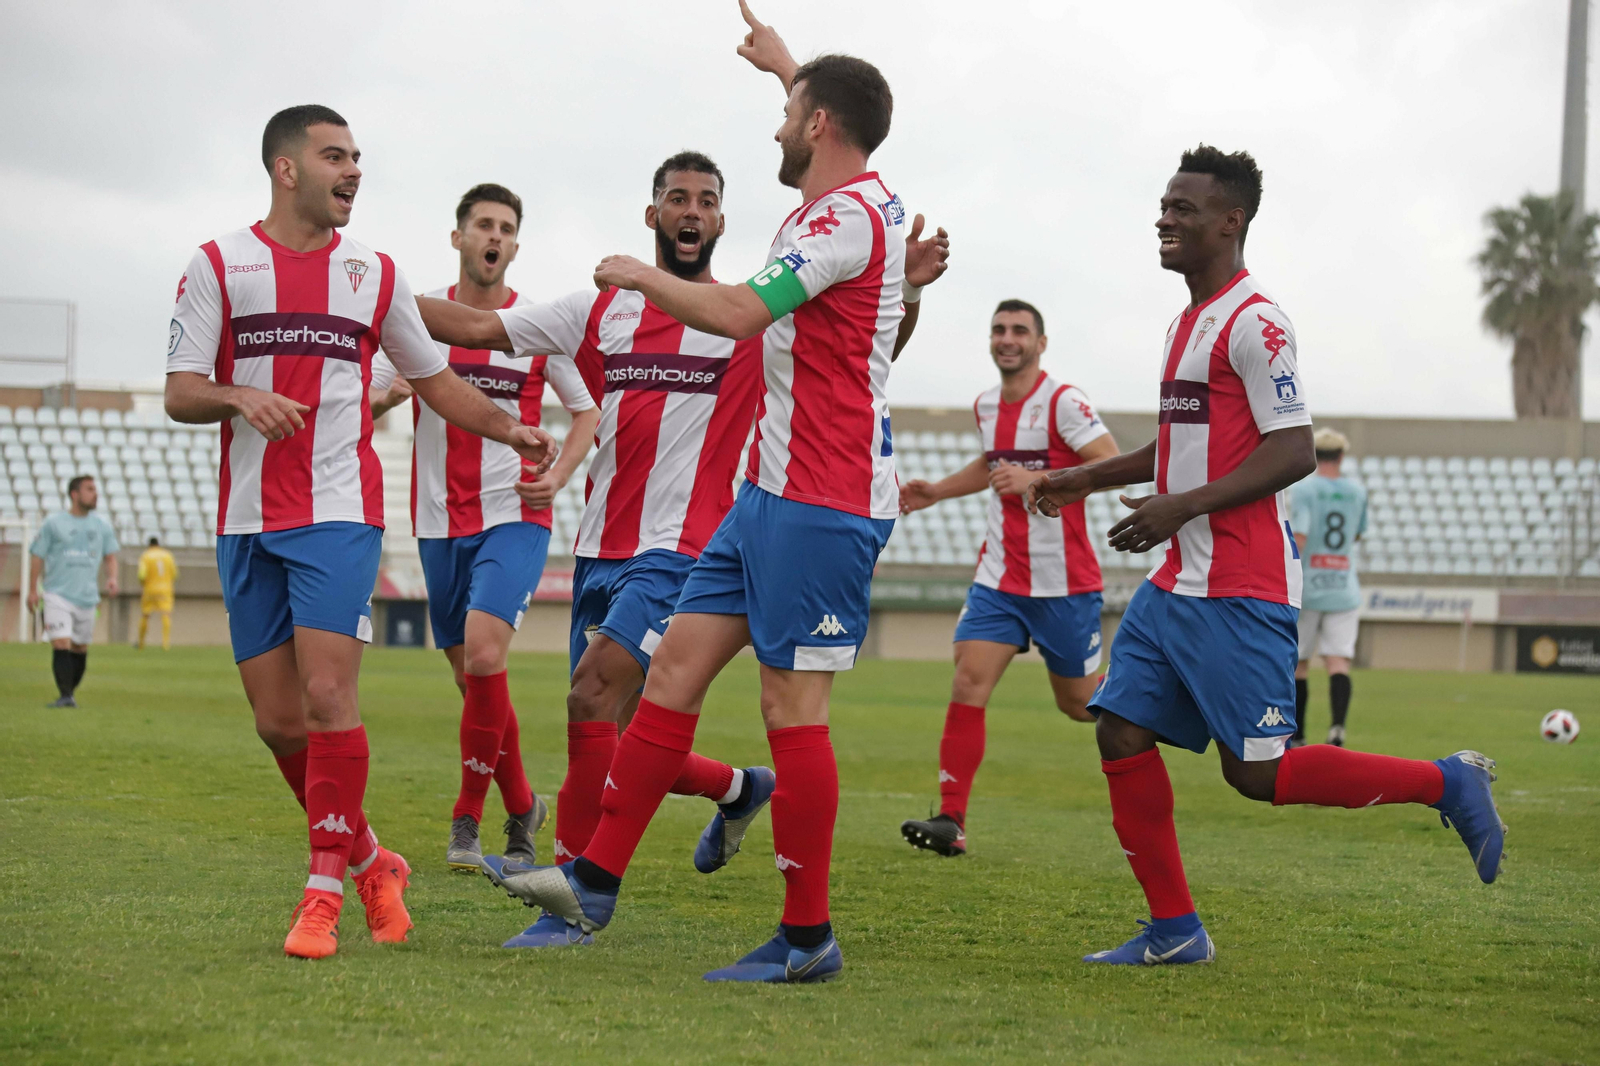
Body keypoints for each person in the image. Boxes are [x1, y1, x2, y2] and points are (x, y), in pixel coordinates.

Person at [492, 3, 950, 983]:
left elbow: (742, 310)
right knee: (668, 680)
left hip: (823, 500)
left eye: (790, 113)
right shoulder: (848, 195)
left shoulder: (841, 220)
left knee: (792, 707)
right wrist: (785, 61)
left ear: (819, 126)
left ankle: (805, 937)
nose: (778, 125)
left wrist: (634, 275)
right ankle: (592, 884)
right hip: (765, 495)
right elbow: (829, 117)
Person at [1027, 145, 1504, 967]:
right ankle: (1175, 930)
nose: (1164, 218)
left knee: (1258, 774)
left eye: (1182, 208)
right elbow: (1179, 446)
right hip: (1177, 582)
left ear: (1230, 220)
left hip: (1240, 586)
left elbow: (1290, 451)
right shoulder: (1187, 321)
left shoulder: (1258, 321)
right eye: (1163, 205)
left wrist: (1184, 505)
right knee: (1120, 733)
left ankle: (1447, 782)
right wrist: (1085, 478)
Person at [163, 104, 557, 960]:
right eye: (334, 156)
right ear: (286, 169)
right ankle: (375, 859)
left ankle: (322, 893)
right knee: (278, 724)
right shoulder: (219, 265)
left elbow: (435, 380)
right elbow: (181, 389)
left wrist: (508, 428)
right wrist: (239, 397)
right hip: (245, 517)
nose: (352, 171)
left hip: (340, 512)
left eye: (358, 158)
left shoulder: (373, 274)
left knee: (328, 699)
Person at [418, 150, 788, 950]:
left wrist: (915, 292)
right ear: (653, 214)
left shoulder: (747, 316)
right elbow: (477, 326)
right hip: (600, 547)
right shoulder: (601, 312)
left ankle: (572, 890)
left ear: (721, 221)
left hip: (685, 550)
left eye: (707, 200)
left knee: (588, 696)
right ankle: (737, 786)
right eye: (676, 198)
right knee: (612, 731)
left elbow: (868, 331)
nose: (692, 210)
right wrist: (371, 295)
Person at [369, 183, 601, 873]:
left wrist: (557, 475)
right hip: (438, 520)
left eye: (505, 227)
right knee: (476, 684)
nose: (493, 236)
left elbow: (587, 411)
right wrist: (378, 396)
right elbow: (380, 391)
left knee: (485, 656)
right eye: (481, 224)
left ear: (514, 246)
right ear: (459, 238)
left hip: (515, 514)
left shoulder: (535, 326)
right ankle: (525, 803)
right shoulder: (420, 322)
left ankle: (467, 822)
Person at [898, 299, 1118, 857]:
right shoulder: (986, 405)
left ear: (1040, 343)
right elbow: (992, 465)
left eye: (1020, 330)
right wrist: (935, 493)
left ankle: (1160, 706)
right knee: (968, 682)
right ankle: (952, 820)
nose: (1007, 338)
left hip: (1063, 583)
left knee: (1078, 704)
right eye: (998, 329)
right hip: (999, 578)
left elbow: (1109, 461)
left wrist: (1036, 478)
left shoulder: (1063, 402)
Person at [1289, 428, 1367, 747]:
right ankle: (1337, 728)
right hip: (1343, 586)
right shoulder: (1357, 491)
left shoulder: (1305, 489)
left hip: (1308, 586)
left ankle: (1299, 735)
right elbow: (1358, 533)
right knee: (1338, 662)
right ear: (1342, 456)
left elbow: (1301, 536)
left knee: (1299, 664)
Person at [27, 475, 119, 707]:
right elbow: (37, 555)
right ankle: (66, 696)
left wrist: (112, 578)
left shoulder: (101, 526)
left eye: (95, 489)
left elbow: (110, 556)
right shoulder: (54, 523)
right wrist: (32, 590)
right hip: (57, 594)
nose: (95, 493)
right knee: (61, 643)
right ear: (74, 494)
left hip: (87, 597)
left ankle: (69, 692)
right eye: (89, 489)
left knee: (80, 648)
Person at [136, 536, 178, 650]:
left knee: (145, 614)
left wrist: (143, 584)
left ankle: (141, 644)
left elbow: (141, 574)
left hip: (150, 589)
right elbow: (174, 574)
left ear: (149, 545)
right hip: (165, 589)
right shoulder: (168, 555)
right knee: (166, 614)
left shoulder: (146, 556)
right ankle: (165, 643)